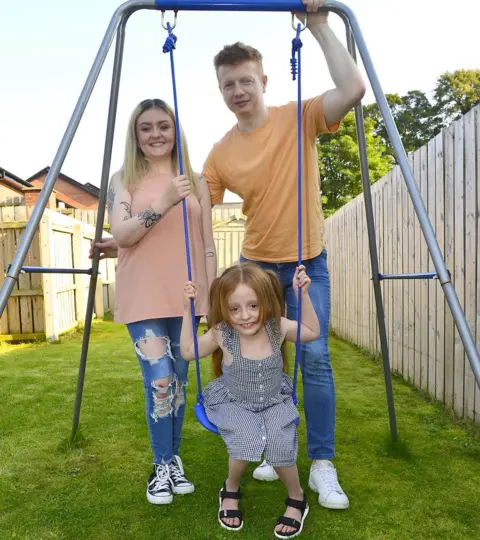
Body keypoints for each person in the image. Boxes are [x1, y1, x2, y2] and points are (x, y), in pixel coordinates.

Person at [201, 0, 365, 509]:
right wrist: (127, 236)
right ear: (221, 90)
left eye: (245, 80)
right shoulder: (221, 151)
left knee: (314, 359)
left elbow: (354, 90)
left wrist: (318, 27)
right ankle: (272, 445)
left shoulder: (300, 115)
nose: (237, 91)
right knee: (263, 362)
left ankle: (321, 463)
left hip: (303, 263)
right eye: (228, 84)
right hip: (255, 269)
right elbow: (191, 212)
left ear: (265, 79)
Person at [106, 98, 217, 505]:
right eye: (146, 127)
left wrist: (210, 297)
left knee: (181, 384)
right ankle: (161, 465)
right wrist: (164, 200)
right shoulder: (124, 179)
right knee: (160, 381)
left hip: (186, 295)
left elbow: (207, 245)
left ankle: (173, 461)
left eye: (163, 126)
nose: (156, 135)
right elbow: (122, 234)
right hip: (143, 294)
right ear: (136, 136)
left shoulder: (196, 180)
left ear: (175, 131)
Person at [180, 262, 319, 538]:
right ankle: (230, 489)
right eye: (235, 309)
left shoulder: (276, 327)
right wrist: (187, 310)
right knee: (245, 440)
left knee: (280, 444)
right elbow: (187, 351)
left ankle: (297, 497)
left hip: (273, 400)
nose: (245, 316)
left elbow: (311, 332)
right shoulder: (222, 333)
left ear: (267, 302)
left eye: (253, 306)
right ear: (225, 308)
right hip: (234, 401)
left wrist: (303, 296)